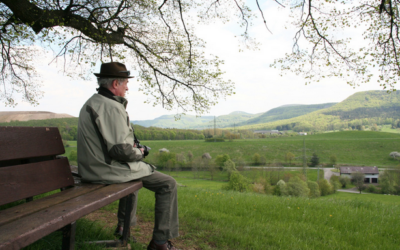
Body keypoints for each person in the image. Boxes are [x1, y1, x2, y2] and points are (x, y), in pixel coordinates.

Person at [77, 62, 179, 250]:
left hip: (94, 166)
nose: (127, 87)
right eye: (125, 83)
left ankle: (124, 227)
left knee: (134, 176)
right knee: (167, 184)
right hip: (106, 170)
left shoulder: (94, 102)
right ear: (115, 83)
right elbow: (120, 150)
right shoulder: (110, 106)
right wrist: (140, 152)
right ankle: (160, 242)